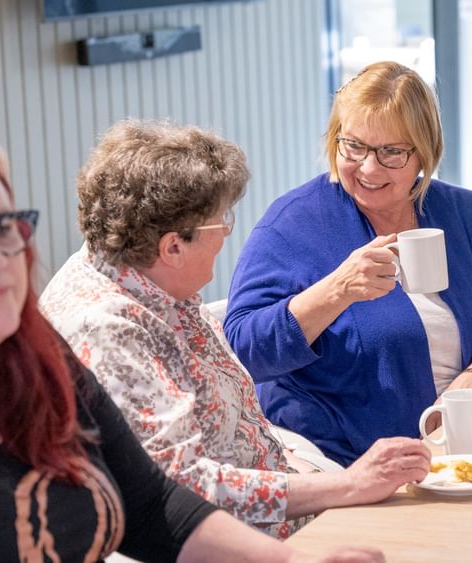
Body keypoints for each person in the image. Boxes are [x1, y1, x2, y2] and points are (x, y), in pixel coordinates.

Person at [0, 124, 384, 562]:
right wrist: (342, 487)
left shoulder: (36, 357)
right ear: (171, 247)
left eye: (3, 229)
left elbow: (153, 503)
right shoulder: (98, 325)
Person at [39, 119, 430, 540]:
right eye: (220, 221)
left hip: (288, 483)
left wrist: (307, 468)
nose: (227, 231)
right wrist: (348, 485)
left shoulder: (146, 272)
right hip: (248, 539)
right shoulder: (106, 329)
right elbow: (182, 488)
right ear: (173, 246)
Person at [224, 61, 472, 467]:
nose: (369, 168)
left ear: (424, 153)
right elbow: (242, 351)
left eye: (391, 152)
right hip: (347, 460)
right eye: (354, 146)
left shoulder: (463, 213)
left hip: (462, 444)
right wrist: (337, 290)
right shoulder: (292, 223)